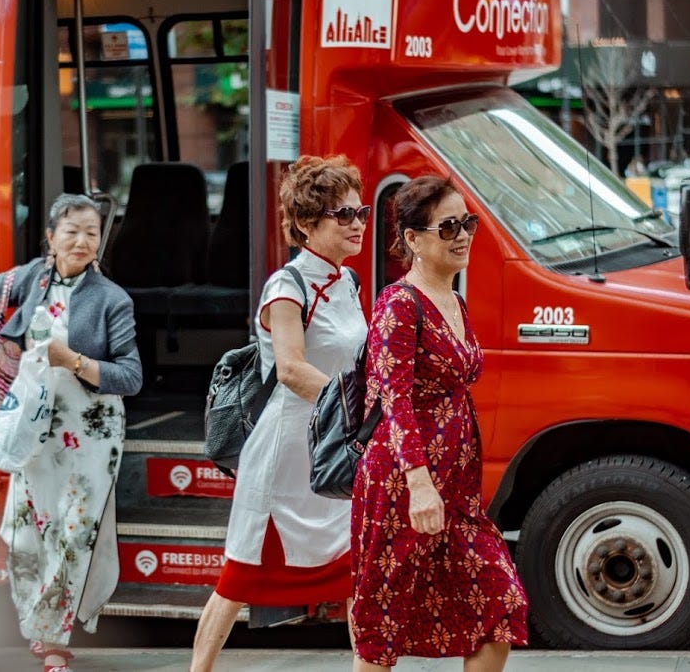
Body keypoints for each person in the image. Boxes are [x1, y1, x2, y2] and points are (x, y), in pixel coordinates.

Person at [190, 155, 369, 672]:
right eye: (344, 215)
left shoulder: (349, 283)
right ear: (309, 224)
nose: (357, 223)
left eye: (359, 212)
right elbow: (291, 369)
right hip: (283, 455)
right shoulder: (285, 285)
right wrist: (355, 413)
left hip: (333, 448)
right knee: (238, 580)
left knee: (357, 572)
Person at [0, 193, 143, 672]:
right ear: (51, 237)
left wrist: (74, 361)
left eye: (91, 233)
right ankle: (41, 623)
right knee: (26, 533)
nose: (81, 242)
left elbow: (131, 376)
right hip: (35, 428)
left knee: (75, 533)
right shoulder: (33, 278)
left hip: (92, 433)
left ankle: (54, 638)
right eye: (72, 231)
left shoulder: (112, 299)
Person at [351, 176, 527, 671]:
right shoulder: (398, 304)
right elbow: (394, 397)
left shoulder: (453, 299)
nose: (463, 234)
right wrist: (419, 482)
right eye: (448, 226)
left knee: (498, 605)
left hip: (455, 490)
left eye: (467, 222)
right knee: (384, 622)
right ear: (412, 239)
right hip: (403, 484)